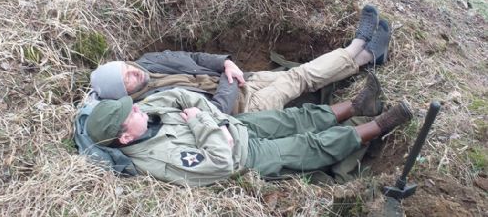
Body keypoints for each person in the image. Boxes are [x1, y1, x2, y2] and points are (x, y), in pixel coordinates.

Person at [85, 73, 413, 187]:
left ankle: (357, 107)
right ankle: (380, 124)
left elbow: (186, 97)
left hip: (236, 127)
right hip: (247, 156)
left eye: (133, 104)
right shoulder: (155, 159)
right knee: (310, 147)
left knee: (295, 118)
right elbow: (218, 163)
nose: (138, 107)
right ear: (126, 137)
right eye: (131, 114)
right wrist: (202, 124)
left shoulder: (150, 110)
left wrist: (209, 122)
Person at [90, 5, 391, 114]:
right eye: (127, 79)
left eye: (127, 67)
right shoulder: (150, 106)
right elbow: (215, 111)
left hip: (236, 79)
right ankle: (359, 49)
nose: (134, 72)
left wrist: (225, 63)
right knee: (298, 78)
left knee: (301, 75)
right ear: (125, 94)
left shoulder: (148, 62)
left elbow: (194, 56)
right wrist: (229, 78)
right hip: (243, 108)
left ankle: (365, 55)